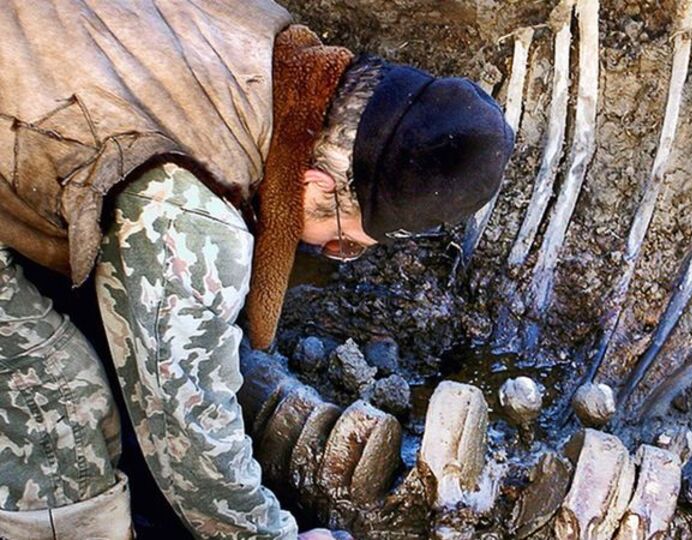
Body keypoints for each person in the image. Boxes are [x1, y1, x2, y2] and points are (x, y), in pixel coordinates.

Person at [0, 1, 514, 538]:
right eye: (343, 243)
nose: (331, 250)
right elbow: (186, 430)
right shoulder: (191, 208)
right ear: (314, 186)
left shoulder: (255, 29)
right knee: (58, 403)